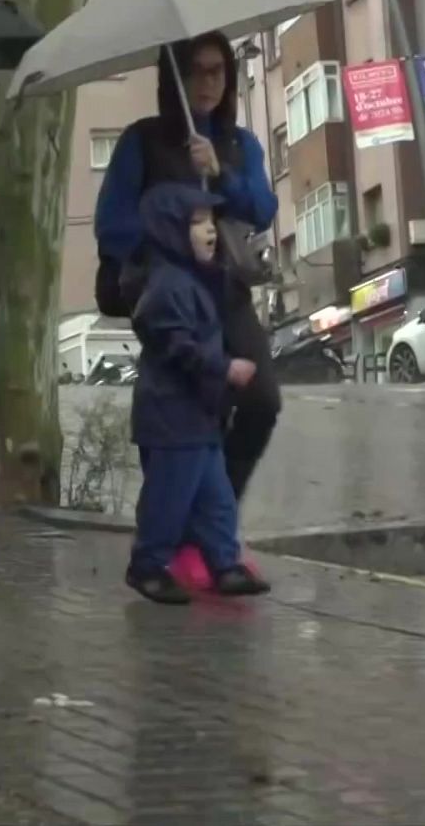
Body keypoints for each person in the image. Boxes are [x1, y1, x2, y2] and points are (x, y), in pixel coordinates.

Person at [93, 32, 282, 502]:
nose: (208, 82)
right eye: (196, 70)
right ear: (174, 75)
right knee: (188, 413)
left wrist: (220, 173)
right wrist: (176, 235)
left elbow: (262, 208)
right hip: (169, 295)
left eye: (218, 70)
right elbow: (112, 225)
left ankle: (217, 511)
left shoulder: (240, 144)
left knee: (260, 400)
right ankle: (178, 530)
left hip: (226, 291)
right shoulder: (144, 141)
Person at [127, 183, 269, 604]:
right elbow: (177, 346)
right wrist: (224, 368)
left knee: (216, 499)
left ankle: (224, 564)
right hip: (172, 417)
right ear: (171, 231)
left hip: (198, 416)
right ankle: (148, 567)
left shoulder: (193, 280)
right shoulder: (168, 286)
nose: (210, 230)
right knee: (168, 500)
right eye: (197, 223)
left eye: (211, 221)